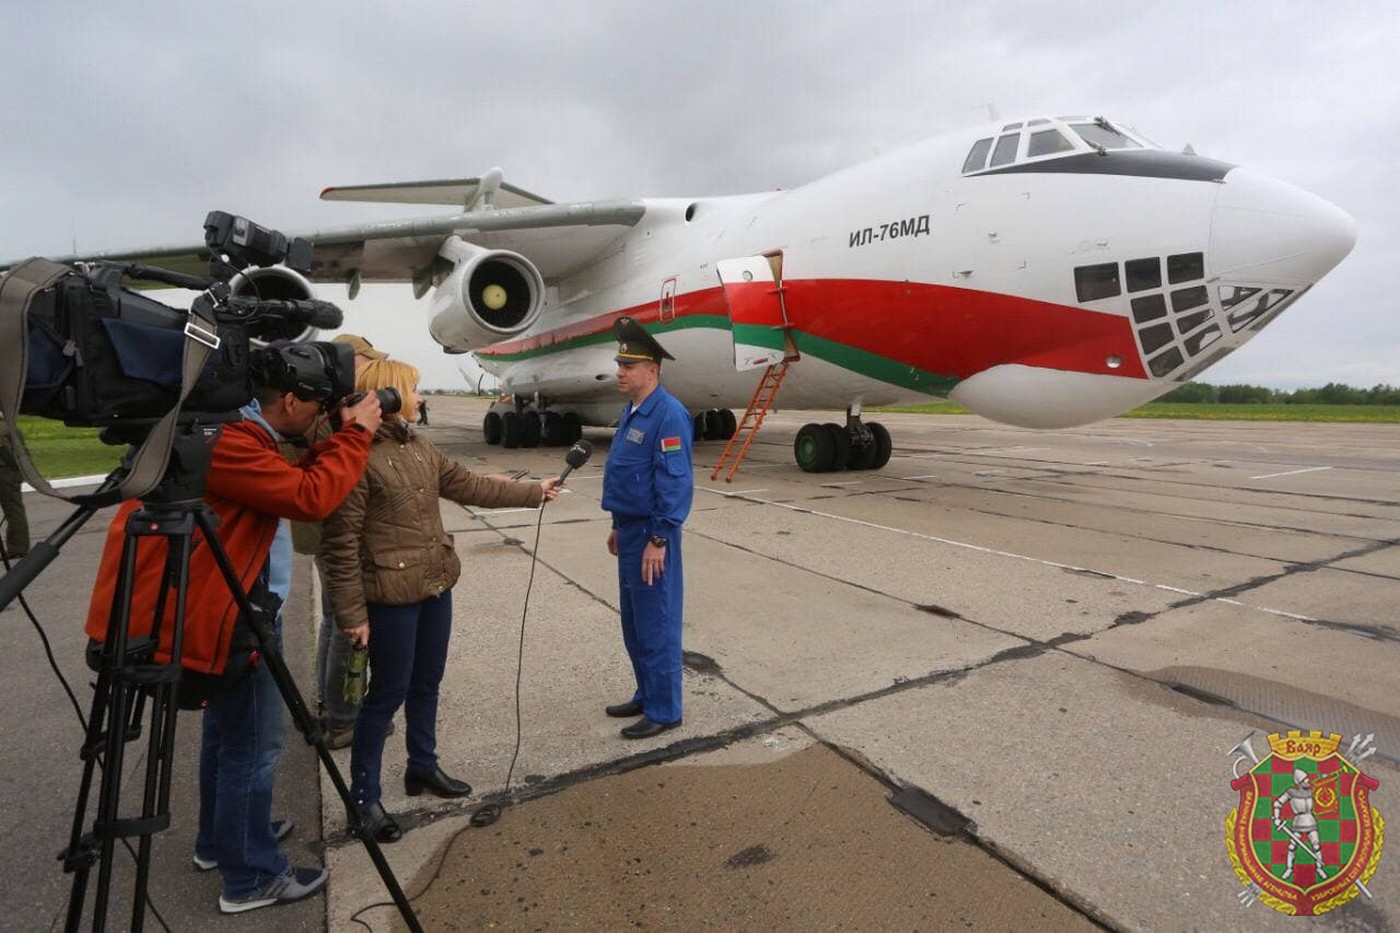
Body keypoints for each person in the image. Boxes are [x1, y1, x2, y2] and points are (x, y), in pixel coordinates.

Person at [83, 357, 382, 914]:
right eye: (317, 406)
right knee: (255, 746)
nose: (320, 414)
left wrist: (333, 439)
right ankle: (251, 877)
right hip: (229, 619)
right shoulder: (227, 441)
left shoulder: (227, 432)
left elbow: (288, 482)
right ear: (289, 401)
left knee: (227, 737)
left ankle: (223, 840)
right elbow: (310, 498)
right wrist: (357, 434)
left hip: (222, 611)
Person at [320, 357, 560, 842]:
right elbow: (339, 545)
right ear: (386, 396)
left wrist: (534, 491)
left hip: (434, 585)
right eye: (413, 390)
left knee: (427, 683)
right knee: (385, 695)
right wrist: (352, 614)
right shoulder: (352, 455)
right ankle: (363, 800)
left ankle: (422, 766)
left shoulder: (419, 446)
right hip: (390, 595)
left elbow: (470, 486)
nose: (421, 397)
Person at [283, 334, 389, 749]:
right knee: (348, 627)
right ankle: (345, 719)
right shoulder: (327, 415)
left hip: (320, 530)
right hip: (334, 532)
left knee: (332, 622)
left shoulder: (322, 408)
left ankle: (333, 705)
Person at [599, 316, 694, 739]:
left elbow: (674, 482)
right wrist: (617, 524)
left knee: (657, 623)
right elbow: (627, 474)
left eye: (629, 366)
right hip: (630, 531)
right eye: (620, 365)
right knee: (635, 624)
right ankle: (646, 693)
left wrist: (659, 537)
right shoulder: (634, 411)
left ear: (652, 370)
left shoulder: (668, 415)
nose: (620, 371)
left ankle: (665, 709)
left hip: (652, 536)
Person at [0, 414, 30, 561]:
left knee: (13, 511)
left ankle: (18, 548)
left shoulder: (3, 429)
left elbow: (9, 454)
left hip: (5, 473)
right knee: (13, 510)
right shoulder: (8, 427)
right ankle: (17, 548)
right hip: (8, 472)